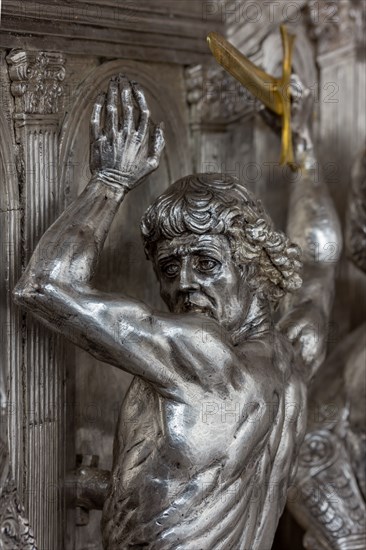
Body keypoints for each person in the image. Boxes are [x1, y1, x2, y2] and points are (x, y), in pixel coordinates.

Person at [13, 75, 340, 549]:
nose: (184, 281)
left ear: (254, 267)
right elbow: (317, 263)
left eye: (206, 262)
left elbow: (45, 286)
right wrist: (305, 148)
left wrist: (110, 181)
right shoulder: (296, 351)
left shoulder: (202, 354)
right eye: (169, 266)